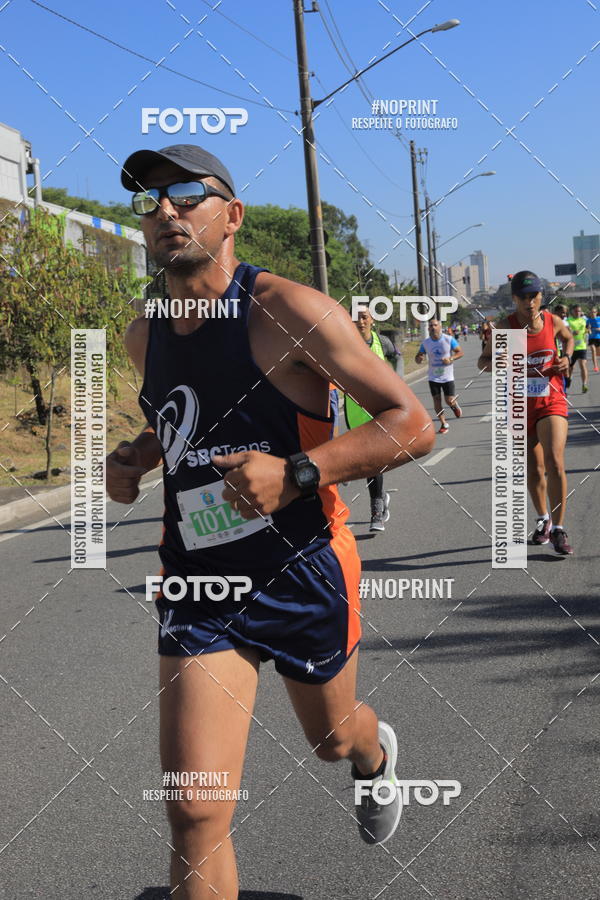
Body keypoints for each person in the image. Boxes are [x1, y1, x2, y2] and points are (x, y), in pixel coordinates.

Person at [106, 143, 434, 899]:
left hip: (303, 568)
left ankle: (372, 754)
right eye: (151, 200)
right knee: (193, 811)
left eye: (185, 194)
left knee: (330, 737)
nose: (165, 211)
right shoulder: (145, 332)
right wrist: (137, 455)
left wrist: (296, 474)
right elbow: (177, 418)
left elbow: (411, 421)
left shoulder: (288, 312)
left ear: (233, 216)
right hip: (200, 584)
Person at [478, 270, 574, 555]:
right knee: (534, 468)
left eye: (534, 296)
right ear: (515, 299)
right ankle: (543, 519)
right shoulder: (504, 328)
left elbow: (568, 338)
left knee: (555, 461)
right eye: (523, 297)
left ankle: (558, 528)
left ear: (541, 297)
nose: (530, 302)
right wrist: (498, 363)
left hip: (551, 402)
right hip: (519, 407)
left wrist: (566, 358)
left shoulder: (552, 321)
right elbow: (482, 362)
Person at [344, 305, 398, 531]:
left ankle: (376, 509)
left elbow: (396, 359)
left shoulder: (382, 343)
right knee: (363, 463)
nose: (361, 321)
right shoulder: (344, 344)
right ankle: (381, 500)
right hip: (354, 411)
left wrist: (396, 383)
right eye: (355, 317)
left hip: (379, 410)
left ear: (372, 320)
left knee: (374, 460)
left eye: (364, 317)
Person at [415, 318, 464, 434]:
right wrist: (419, 358)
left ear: (440, 327)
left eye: (435, 325)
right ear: (428, 328)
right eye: (431, 326)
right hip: (433, 377)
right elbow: (418, 357)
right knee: (436, 401)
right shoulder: (426, 343)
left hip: (447, 376)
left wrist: (451, 358)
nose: (433, 328)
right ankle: (444, 423)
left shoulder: (448, 339)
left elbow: (460, 352)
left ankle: (454, 405)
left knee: (449, 400)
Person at [567, 304, 589, 393]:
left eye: (579, 311)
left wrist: (588, 331)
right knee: (570, 368)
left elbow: (586, 329)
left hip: (582, 347)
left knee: (583, 365)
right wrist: (572, 333)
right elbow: (565, 333)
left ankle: (584, 384)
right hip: (571, 347)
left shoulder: (584, 320)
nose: (578, 313)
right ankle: (570, 379)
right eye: (576, 311)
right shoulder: (568, 321)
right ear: (572, 311)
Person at [586, 305, 600, 373]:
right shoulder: (588, 320)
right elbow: (586, 330)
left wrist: (598, 329)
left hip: (599, 338)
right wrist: (588, 330)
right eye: (591, 312)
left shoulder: (599, 319)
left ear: (596, 312)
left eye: (594, 312)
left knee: (598, 353)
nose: (593, 313)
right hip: (591, 338)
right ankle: (595, 366)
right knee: (593, 352)